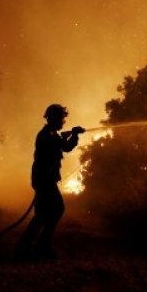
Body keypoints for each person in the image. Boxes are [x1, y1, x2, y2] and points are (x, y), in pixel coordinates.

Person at [16, 103, 85, 259]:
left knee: (43, 214)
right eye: (61, 119)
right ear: (52, 118)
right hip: (44, 180)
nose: (63, 122)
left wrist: (73, 136)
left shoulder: (51, 134)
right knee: (56, 210)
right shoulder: (46, 135)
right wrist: (71, 135)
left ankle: (27, 248)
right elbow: (58, 147)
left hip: (45, 179)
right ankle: (39, 247)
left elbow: (65, 148)